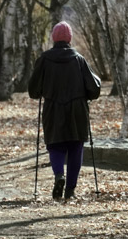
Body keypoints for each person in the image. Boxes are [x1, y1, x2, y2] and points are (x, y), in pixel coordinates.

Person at [28, 21, 101, 200]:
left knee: (55, 145)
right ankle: (70, 191)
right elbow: (94, 89)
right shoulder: (78, 59)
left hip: (53, 109)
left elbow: (33, 91)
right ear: (69, 39)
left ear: (54, 38)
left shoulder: (44, 59)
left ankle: (59, 174)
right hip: (77, 110)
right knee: (75, 147)